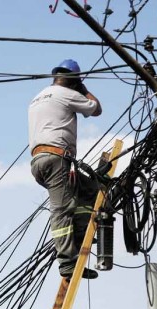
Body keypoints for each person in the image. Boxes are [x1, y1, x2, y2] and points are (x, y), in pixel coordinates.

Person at [28, 59, 103, 280]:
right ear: (72, 80)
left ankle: (79, 236)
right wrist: (83, 88)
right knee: (61, 209)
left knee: (90, 189)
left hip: (39, 161)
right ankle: (68, 264)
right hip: (56, 159)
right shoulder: (65, 93)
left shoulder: (38, 96)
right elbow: (96, 109)